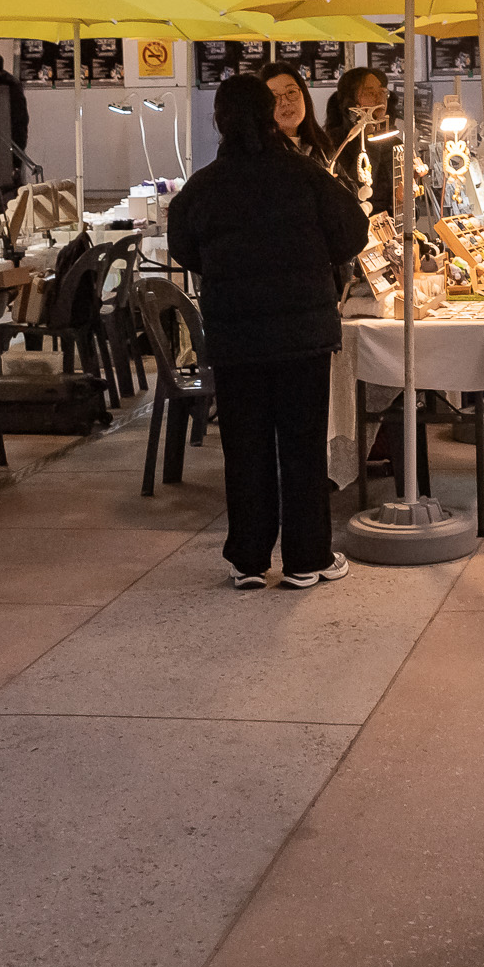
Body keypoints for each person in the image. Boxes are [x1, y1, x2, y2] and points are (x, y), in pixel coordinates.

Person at [166, 73, 368, 590]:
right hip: (303, 333)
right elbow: (352, 232)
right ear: (269, 114)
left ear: (220, 120)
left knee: (245, 444)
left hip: (236, 337)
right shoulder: (304, 175)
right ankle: (307, 559)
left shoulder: (205, 186)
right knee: (302, 445)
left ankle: (249, 559)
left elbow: (182, 247)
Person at [326, 66, 394, 214]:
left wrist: (406, 193)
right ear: (351, 102)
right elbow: (355, 193)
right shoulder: (336, 144)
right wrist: (368, 140)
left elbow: (407, 212)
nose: (379, 98)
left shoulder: (392, 142)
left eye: (383, 92)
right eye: (370, 93)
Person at [261, 61, 336, 166]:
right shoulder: (262, 154)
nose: (285, 102)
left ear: (304, 95)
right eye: (274, 97)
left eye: (291, 92)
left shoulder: (321, 146)